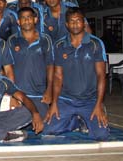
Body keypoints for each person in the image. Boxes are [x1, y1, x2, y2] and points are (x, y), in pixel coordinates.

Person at [45, 8, 109, 140]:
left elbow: (101, 76)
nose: (75, 24)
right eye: (71, 21)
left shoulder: (95, 44)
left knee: (101, 135)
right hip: (66, 100)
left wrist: (99, 104)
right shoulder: (59, 45)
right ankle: (75, 121)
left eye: (78, 20)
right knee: (48, 130)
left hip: (89, 100)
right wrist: (54, 103)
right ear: (67, 24)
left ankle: (85, 117)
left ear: (84, 23)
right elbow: (58, 77)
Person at [7, 7, 54, 118]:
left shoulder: (45, 39)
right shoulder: (12, 40)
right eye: (23, 18)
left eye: (29, 17)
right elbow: (8, 69)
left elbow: (50, 66)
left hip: (39, 94)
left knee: (42, 124)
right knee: (17, 125)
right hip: (19, 94)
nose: (26, 20)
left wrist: (49, 90)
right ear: (18, 22)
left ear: (35, 20)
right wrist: (11, 95)